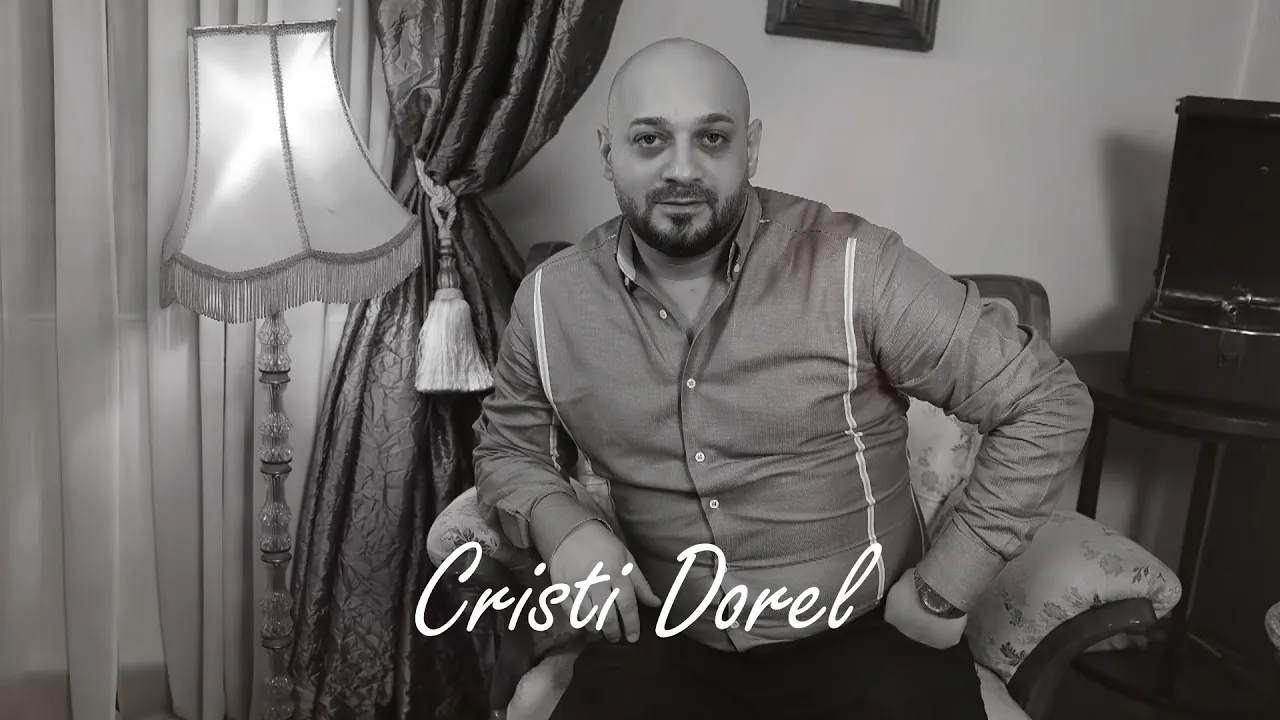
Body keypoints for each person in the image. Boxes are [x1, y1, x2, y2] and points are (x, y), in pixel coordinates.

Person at [471, 37, 1093, 719]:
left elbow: (1047, 401)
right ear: (606, 151)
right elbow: (508, 449)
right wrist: (563, 525)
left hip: (866, 636)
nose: (682, 168)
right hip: (666, 636)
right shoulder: (549, 303)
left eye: (712, 138)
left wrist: (944, 586)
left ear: (752, 148)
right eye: (650, 139)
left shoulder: (856, 270)